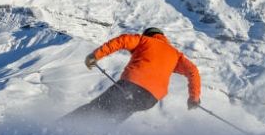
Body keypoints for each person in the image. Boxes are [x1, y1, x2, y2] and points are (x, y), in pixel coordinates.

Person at [72, 27, 201, 121]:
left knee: (96, 108)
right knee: (115, 116)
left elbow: (122, 40)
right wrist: (194, 98)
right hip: (150, 99)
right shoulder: (175, 54)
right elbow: (193, 71)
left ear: (148, 34)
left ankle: (63, 128)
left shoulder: (144, 40)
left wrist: (95, 55)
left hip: (131, 86)